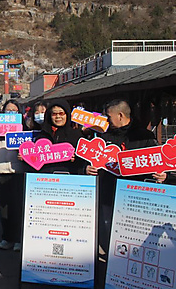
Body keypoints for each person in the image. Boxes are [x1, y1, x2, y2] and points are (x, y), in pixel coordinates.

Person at [85, 99, 166, 250]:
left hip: (135, 196)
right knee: (107, 232)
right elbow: (90, 160)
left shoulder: (144, 136)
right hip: (108, 193)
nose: (106, 120)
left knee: (133, 234)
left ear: (120, 115)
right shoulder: (103, 137)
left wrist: (162, 174)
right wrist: (88, 169)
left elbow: (159, 162)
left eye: (108, 117)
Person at [0, 99, 31, 252]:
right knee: (3, 207)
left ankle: (18, 239)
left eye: (14, 110)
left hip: (17, 172)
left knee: (17, 207)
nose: (11, 113)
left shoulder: (23, 131)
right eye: (8, 110)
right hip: (0, 171)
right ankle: (7, 238)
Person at [35, 100, 85, 174]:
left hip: (68, 177)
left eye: (61, 113)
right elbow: (35, 159)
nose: (58, 117)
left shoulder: (76, 135)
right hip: (45, 177)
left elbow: (82, 162)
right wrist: (25, 157)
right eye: (54, 114)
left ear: (67, 115)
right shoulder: (43, 135)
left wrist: (75, 159)